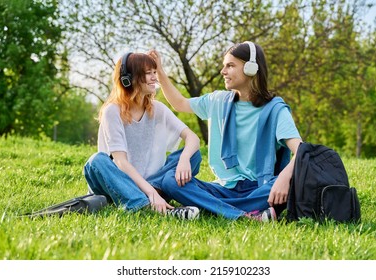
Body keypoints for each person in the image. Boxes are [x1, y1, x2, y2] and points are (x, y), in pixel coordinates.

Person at [149, 41, 302, 222]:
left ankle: (212, 206)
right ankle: (245, 215)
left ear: (251, 68)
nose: (223, 71)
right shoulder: (217, 102)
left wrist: (284, 178)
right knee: (170, 181)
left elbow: (300, 150)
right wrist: (159, 71)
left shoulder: (275, 109)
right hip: (222, 188)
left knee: (290, 184)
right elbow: (179, 103)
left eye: (230, 66)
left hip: (260, 187)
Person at [83, 51, 201, 220]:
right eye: (148, 73)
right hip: (120, 183)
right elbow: (120, 161)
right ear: (128, 79)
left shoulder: (158, 108)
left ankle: (146, 201)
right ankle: (151, 206)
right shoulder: (112, 111)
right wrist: (151, 193)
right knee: (96, 161)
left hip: (152, 183)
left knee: (193, 155)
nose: (155, 78)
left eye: (155, 73)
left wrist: (184, 159)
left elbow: (193, 138)